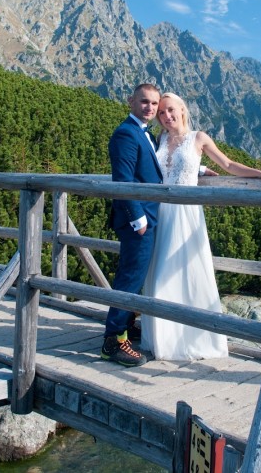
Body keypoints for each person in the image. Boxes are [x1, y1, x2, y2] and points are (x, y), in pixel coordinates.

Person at [141, 92, 261, 361]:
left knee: (187, 272)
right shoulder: (159, 139)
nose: (166, 116)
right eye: (161, 112)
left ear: (182, 110)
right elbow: (162, 169)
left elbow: (228, 164)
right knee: (159, 272)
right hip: (160, 211)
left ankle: (192, 339)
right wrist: (199, 170)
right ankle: (163, 340)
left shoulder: (199, 137)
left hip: (186, 214)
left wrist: (260, 173)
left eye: (171, 110)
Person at [102, 83, 163, 367]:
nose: (149, 107)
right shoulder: (126, 133)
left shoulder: (145, 133)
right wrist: (137, 219)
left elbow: (156, 169)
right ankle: (113, 341)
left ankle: (126, 325)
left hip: (148, 217)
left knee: (135, 276)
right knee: (130, 278)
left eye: (154, 103)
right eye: (144, 102)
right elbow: (123, 180)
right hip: (138, 221)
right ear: (131, 101)